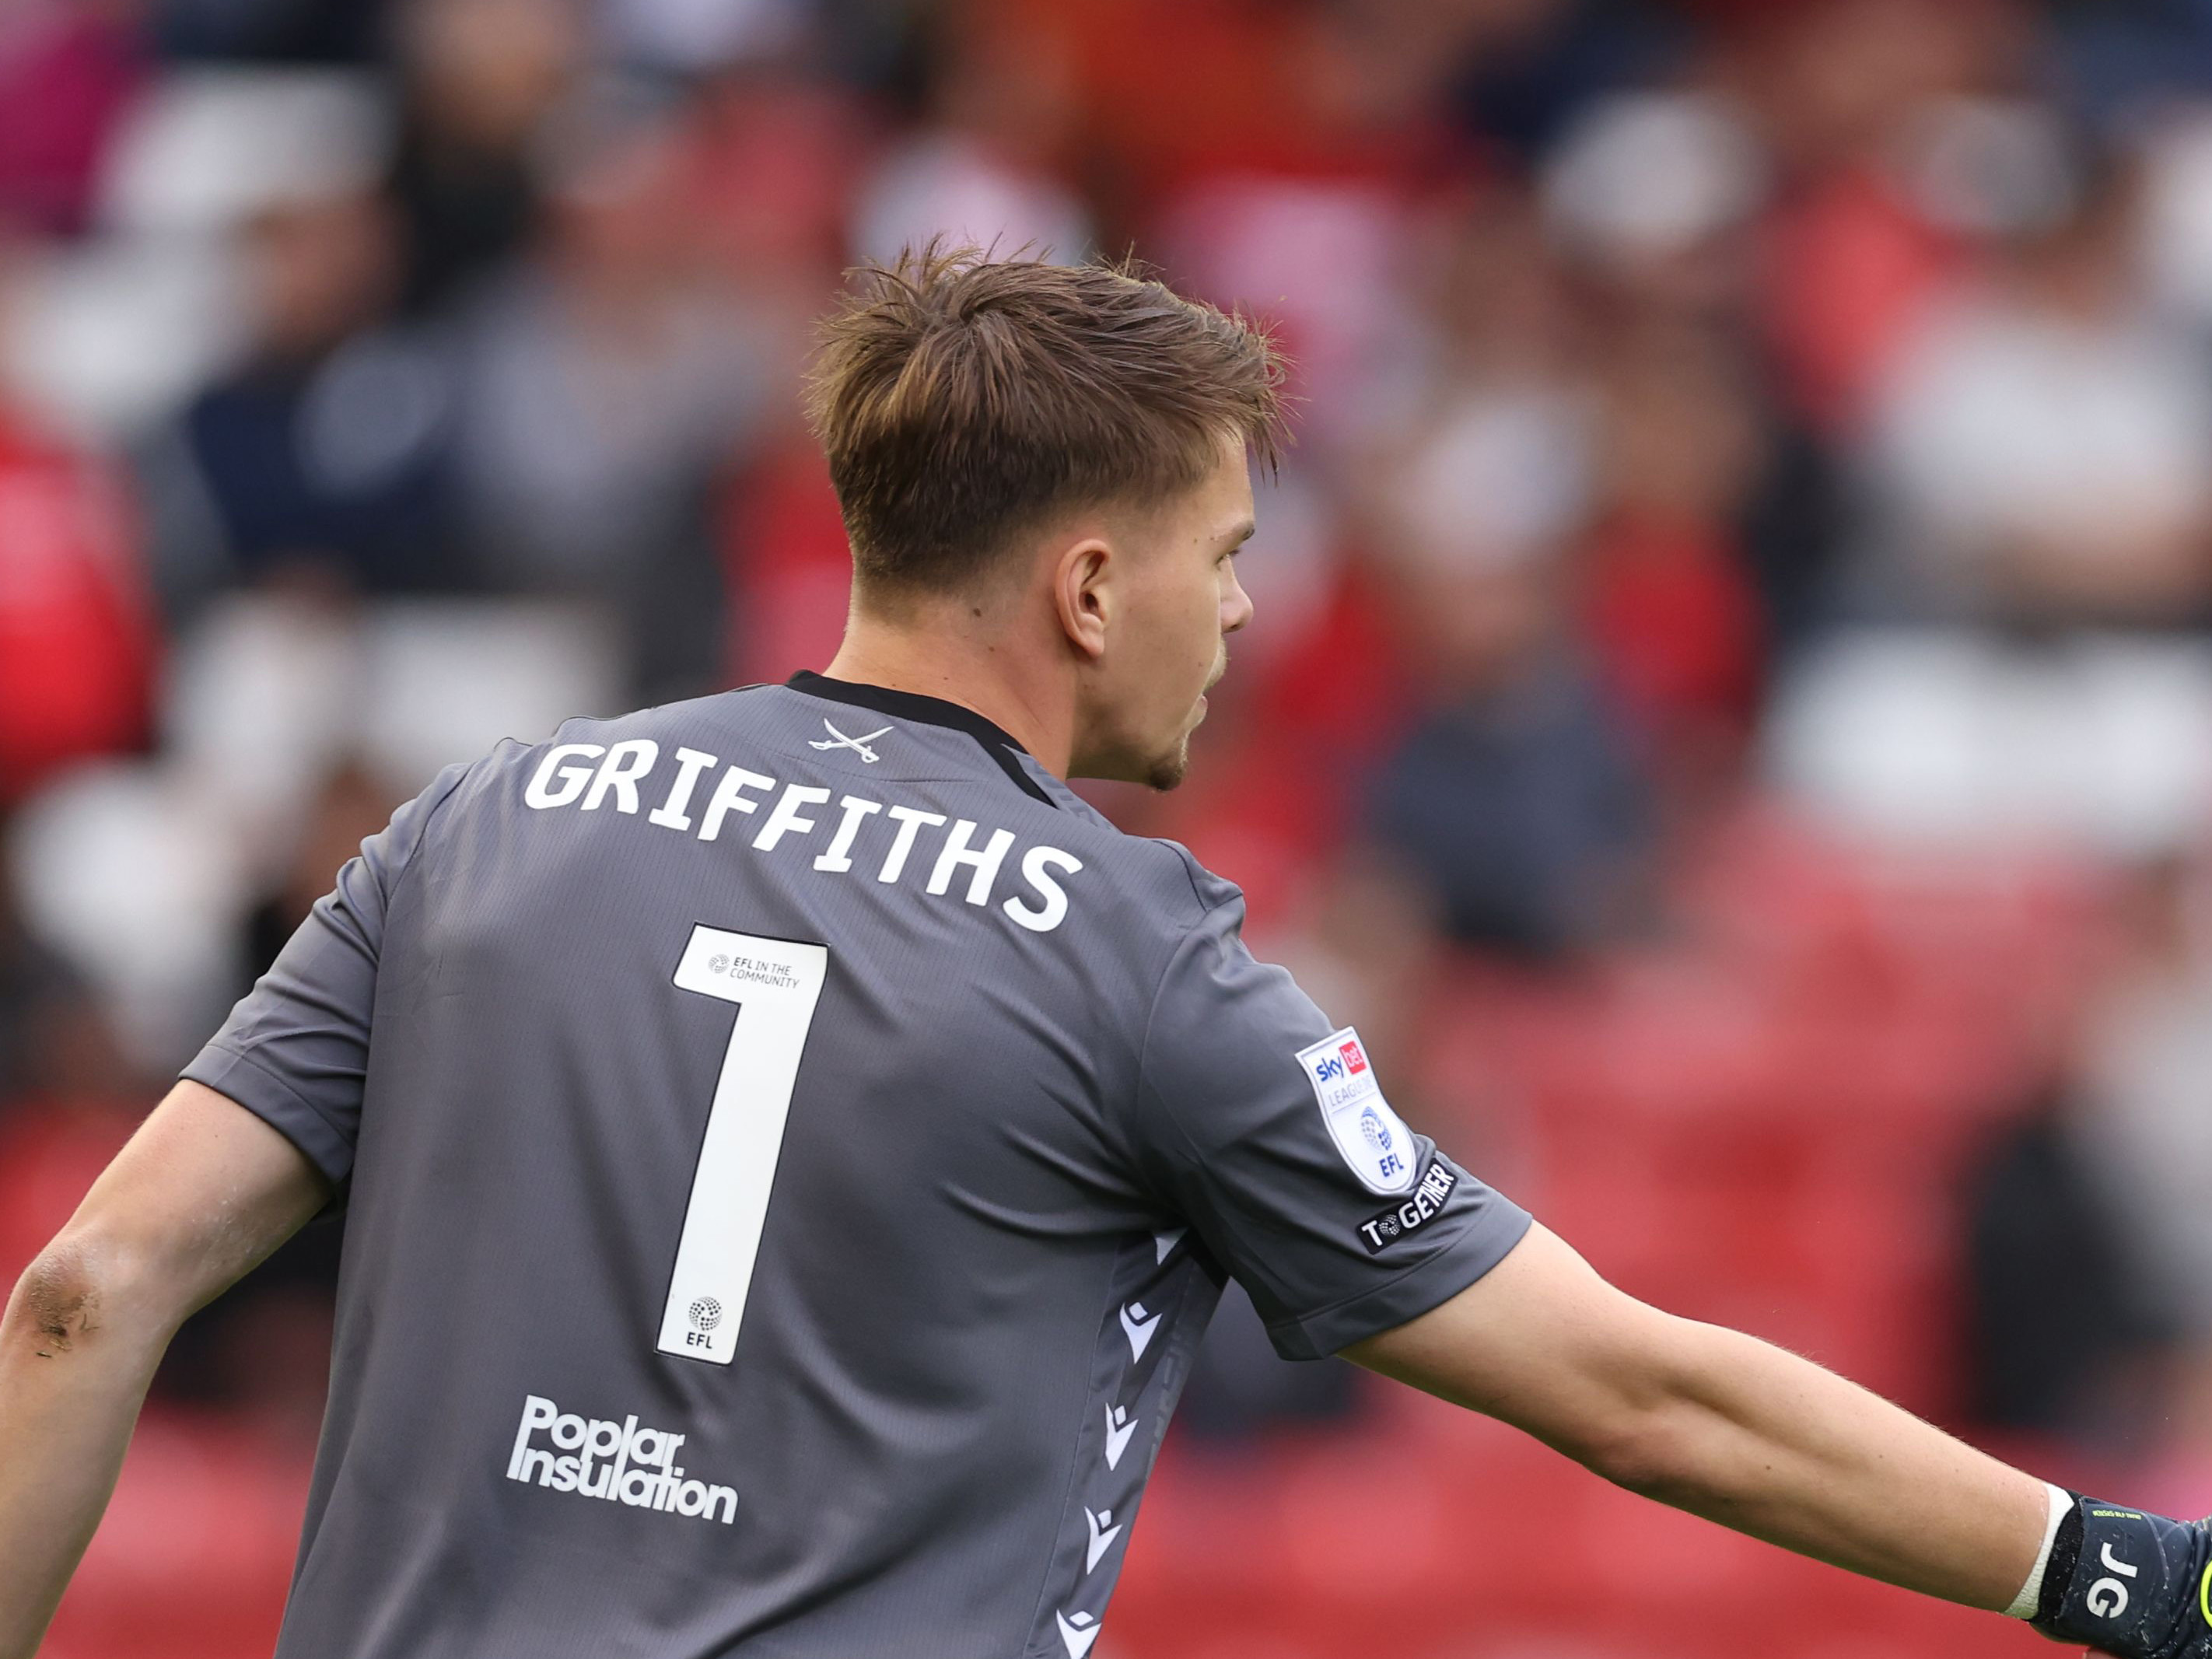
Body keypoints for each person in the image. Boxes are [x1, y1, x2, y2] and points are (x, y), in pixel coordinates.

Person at [0, 248, 2203, 1659]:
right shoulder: (1135, 956)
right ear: (1082, 584)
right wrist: (2101, 1567)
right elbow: (1636, 1392)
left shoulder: (488, 818)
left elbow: (86, 1289)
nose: (1242, 608)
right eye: (1224, 552)